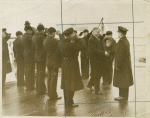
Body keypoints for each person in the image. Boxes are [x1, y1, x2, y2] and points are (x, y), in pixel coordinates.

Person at [55, 28, 86, 107]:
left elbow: (58, 55)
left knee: (66, 83)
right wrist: (79, 38)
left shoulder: (60, 42)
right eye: (73, 33)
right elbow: (83, 47)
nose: (74, 34)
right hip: (72, 64)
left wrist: (59, 65)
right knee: (72, 83)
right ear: (70, 35)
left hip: (64, 64)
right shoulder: (71, 43)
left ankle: (67, 101)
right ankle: (70, 101)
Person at [87, 27, 109, 94]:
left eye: (99, 32)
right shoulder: (91, 39)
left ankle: (90, 84)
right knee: (97, 74)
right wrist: (104, 53)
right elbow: (94, 50)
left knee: (95, 73)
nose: (98, 33)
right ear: (93, 31)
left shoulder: (96, 38)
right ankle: (97, 90)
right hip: (94, 60)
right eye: (97, 32)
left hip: (98, 59)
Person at [113, 26, 133, 101]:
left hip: (122, 65)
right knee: (125, 80)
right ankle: (123, 96)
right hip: (125, 65)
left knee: (122, 80)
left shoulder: (122, 41)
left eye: (118, 32)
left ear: (121, 33)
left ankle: (122, 96)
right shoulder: (125, 41)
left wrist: (118, 65)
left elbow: (120, 55)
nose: (118, 34)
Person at [43, 27, 61, 100]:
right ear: (53, 32)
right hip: (54, 62)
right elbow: (62, 42)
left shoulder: (45, 40)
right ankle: (53, 95)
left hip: (48, 61)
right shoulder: (54, 41)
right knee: (54, 79)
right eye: (54, 33)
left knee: (49, 78)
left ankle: (50, 94)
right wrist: (60, 34)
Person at [32, 24, 47, 94]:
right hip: (42, 57)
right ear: (42, 30)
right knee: (41, 73)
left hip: (37, 56)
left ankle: (38, 88)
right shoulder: (41, 37)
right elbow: (46, 44)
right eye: (43, 30)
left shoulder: (34, 36)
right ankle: (41, 90)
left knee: (38, 73)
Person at [21, 26, 35, 90]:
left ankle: (28, 85)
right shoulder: (28, 36)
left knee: (27, 70)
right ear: (29, 30)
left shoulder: (23, 36)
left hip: (26, 53)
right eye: (31, 30)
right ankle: (30, 85)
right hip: (30, 55)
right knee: (30, 70)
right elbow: (33, 42)